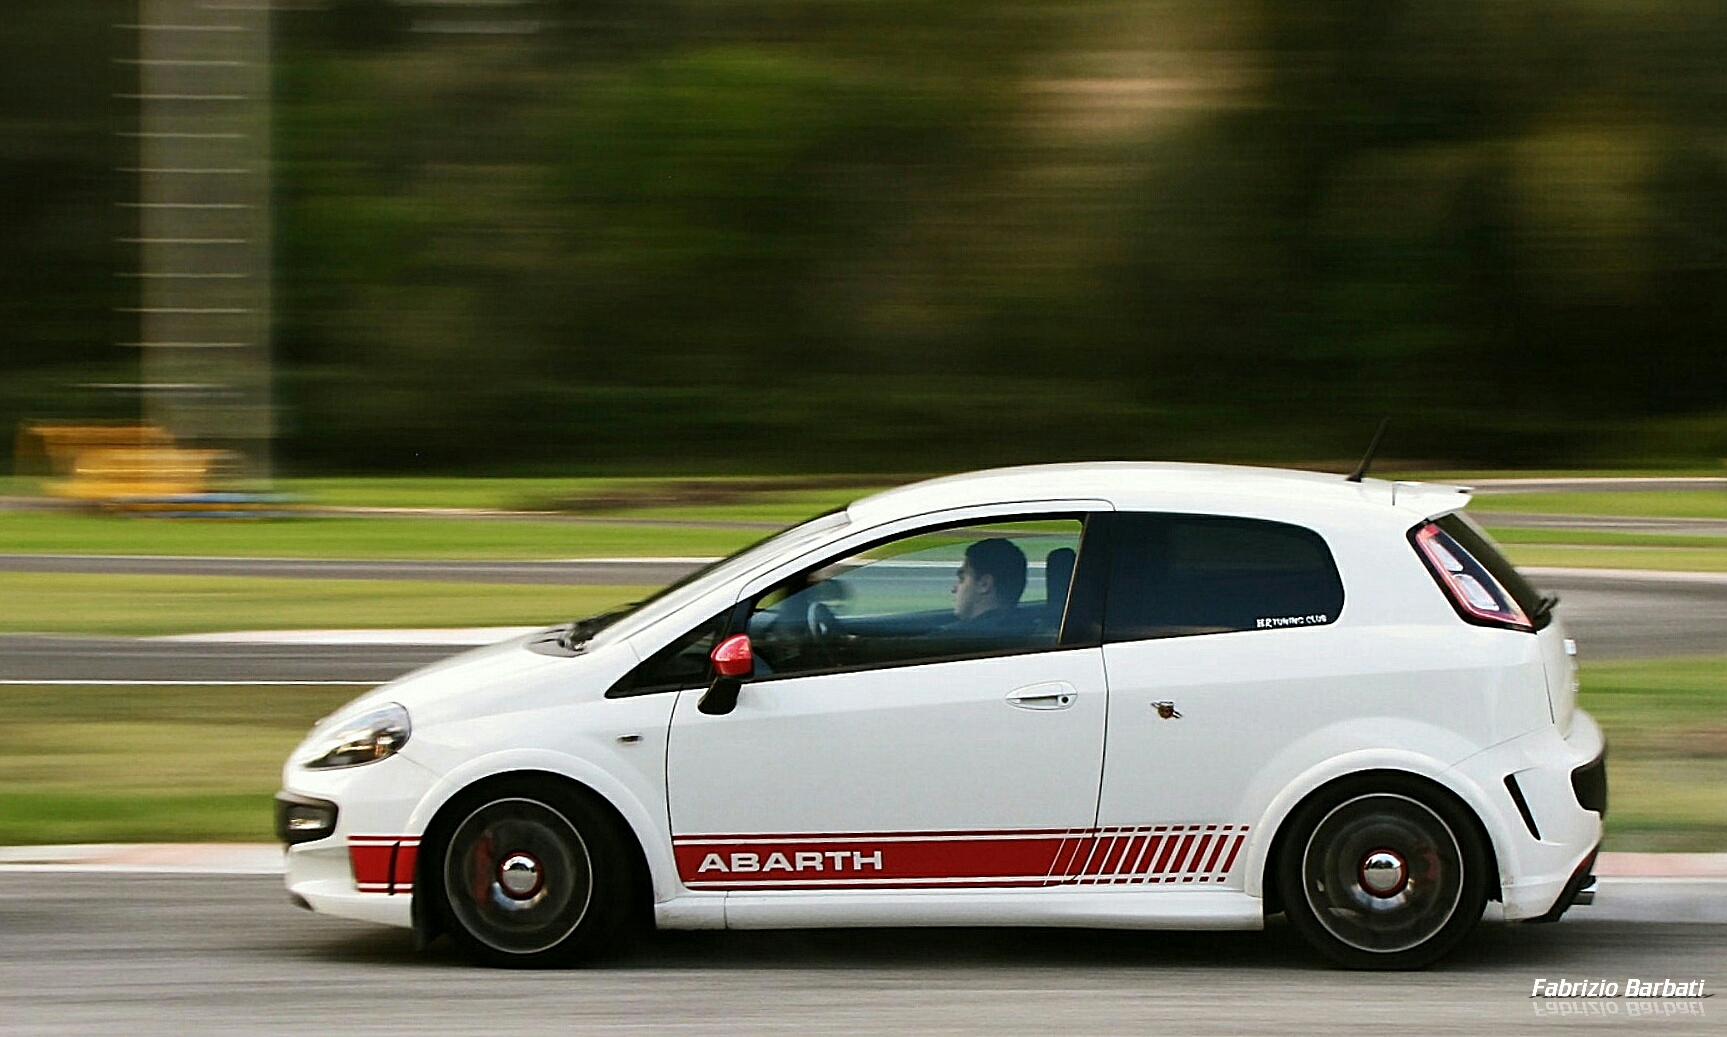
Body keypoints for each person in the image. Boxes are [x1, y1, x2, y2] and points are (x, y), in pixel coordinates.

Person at [947, 537, 1030, 637]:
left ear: (984, 584)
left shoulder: (955, 639)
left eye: (962, 579)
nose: (954, 589)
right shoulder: (1034, 630)